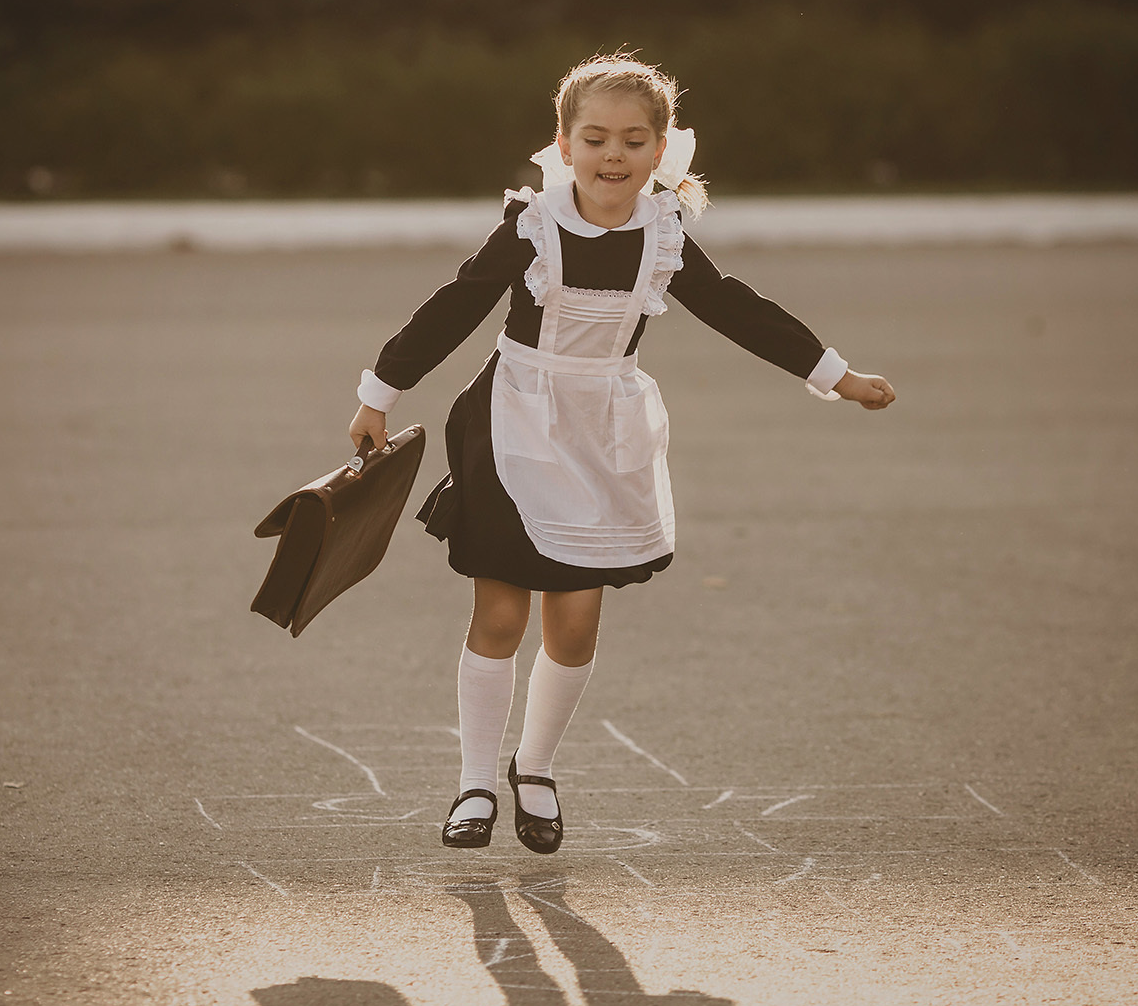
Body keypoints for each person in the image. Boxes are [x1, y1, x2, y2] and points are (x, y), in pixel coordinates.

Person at [348, 55, 896, 855]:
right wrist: (379, 392)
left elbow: (737, 309)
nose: (614, 154)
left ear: (660, 148)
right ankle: (473, 783)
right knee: (499, 615)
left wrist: (836, 375)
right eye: (596, 137)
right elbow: (454, 305)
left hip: (602, 436)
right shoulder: (532, 226)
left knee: (573, 627)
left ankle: (534, 767)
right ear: (564, 143)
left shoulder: (662, 233)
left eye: (634, 140)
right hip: (511, 422)